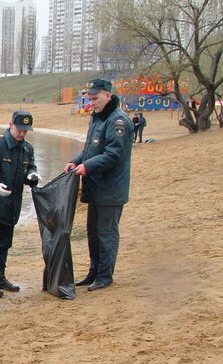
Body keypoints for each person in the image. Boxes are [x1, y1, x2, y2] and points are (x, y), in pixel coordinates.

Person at [64, 78, 133, 291]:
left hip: (111, 189)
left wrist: (87, 167)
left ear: (108, 96)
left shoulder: (118, 121)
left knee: (106, 232)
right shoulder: (98, 118)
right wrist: (76, 161)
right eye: (89, 98)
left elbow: (114, 154)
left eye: (95, 98)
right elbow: (90, 149)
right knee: (93, 232)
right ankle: (94, 272)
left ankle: (105, 276)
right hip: (95, 187)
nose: (91, 103)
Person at [0, 111, 41, 297]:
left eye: (26, 131)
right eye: (19, 129)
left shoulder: (27, 149)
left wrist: (32, 176)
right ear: (10, 124)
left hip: (12, 204)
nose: (22, 134)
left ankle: (0, 276)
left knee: (5, 243)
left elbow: (31, 168)